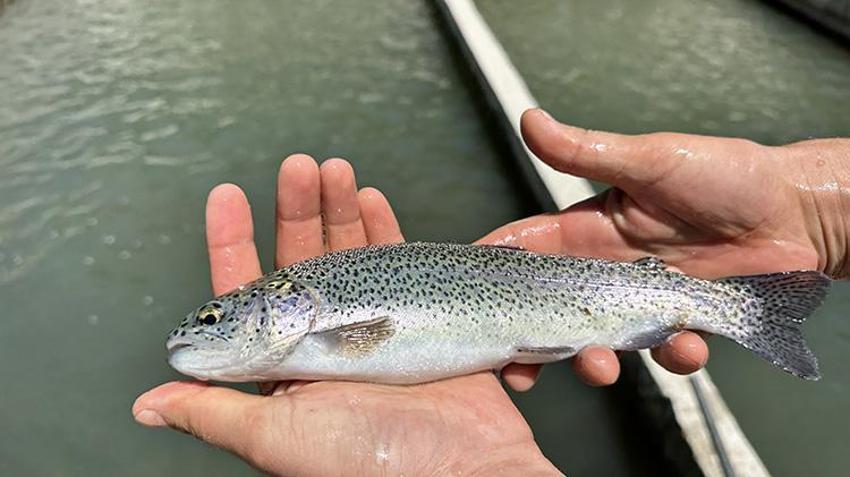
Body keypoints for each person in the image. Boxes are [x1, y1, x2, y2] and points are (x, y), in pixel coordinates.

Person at [133, 109, 849, 476]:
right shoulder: (309, 324)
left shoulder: (316, 324)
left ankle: (749, 309)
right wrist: (815, 213)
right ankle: (751, 307)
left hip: (594, 300)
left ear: (282, 302)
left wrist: (818, 213)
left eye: (213, 317)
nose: (199, 330)